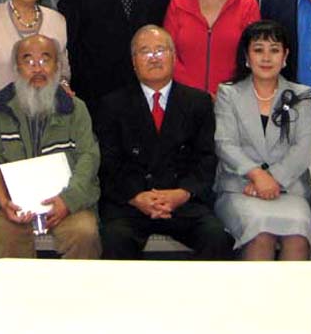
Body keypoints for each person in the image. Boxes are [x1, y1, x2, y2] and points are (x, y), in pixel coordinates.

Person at [95, 25, 234, 260]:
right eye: (145, 52)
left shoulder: (198, 102)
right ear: (133, 62)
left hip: (182, 200)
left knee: (215, 236)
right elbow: (109, 163)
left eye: (160, 50)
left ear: (173, 57)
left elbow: (206, 158)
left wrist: (182, 193)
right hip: (132, 202)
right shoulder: (112, 104)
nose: (154, 58)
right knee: (114, 238)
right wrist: (137, 197)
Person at [0, 34, 102, 260]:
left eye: (45, 60)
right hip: (10, 205)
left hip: (67, 201)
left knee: (84, 232)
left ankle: (76, 287)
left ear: (58, 66)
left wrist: (68, 201)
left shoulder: (76, 108)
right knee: (5, 235)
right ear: (16, 68)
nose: (37, 68)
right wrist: (4, 202)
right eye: (28, 61)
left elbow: (88, 157)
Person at [214, 20, 311, 260]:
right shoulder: (228, 93)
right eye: (258, 50)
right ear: (247, 57)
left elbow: (305, 146)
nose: (267, 58)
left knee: (298, 236)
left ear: (285, 56)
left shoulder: (302, 95)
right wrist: (258, 176)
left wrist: (273, 180)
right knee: (261, 235)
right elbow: (225, 144)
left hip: (289, 189)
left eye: (275, 50)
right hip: (240, 188)